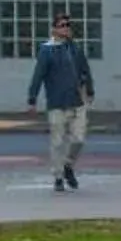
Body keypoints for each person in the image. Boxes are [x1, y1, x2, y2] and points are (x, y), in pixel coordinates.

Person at [24, 13, 94, 192]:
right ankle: (58, 176)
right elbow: (38, 75)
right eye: (62, 25)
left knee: (78, 138)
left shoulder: (75, 49)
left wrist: (90, 90)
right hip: (57, 102)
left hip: (77, 101)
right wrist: (32, 98)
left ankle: (68, 165)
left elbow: (85, 70)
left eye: (68, 25)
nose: (66, 28)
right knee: (57, 142)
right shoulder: (47, 50)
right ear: (54, 29)